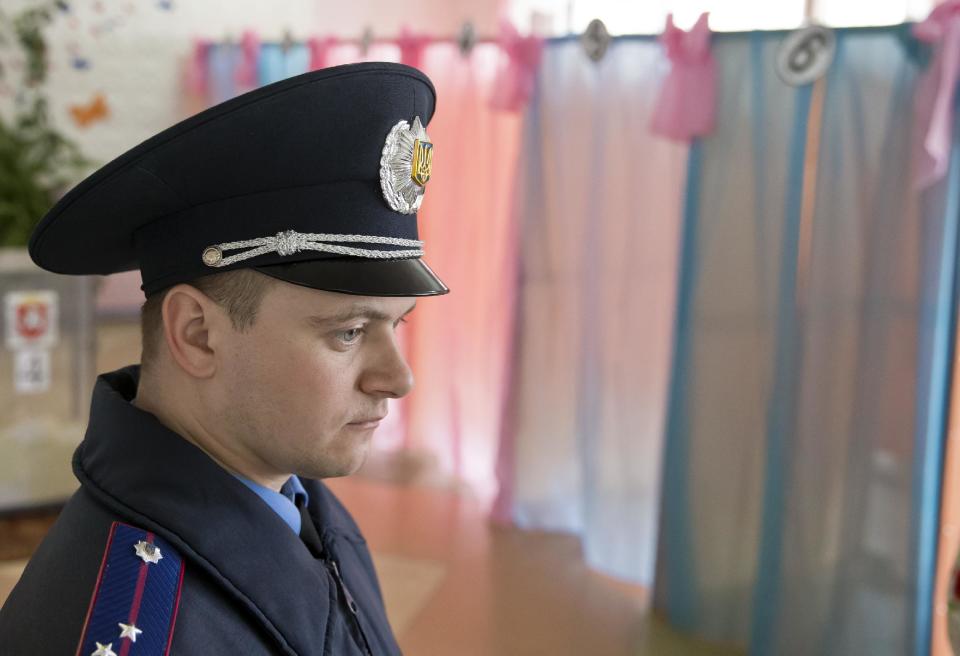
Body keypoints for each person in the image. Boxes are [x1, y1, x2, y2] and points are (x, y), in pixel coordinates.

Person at [0, 61, 447, 655]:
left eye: (396, 324)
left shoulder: (295, 493)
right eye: (349, 331)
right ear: (197, 334)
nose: (399, 378)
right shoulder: (134, 626)